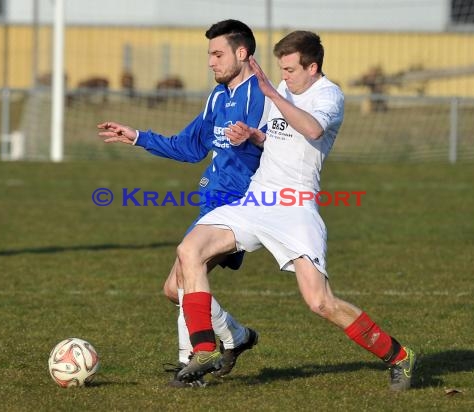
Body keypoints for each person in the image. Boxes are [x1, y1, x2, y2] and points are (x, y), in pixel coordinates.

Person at [175, 30, 417, 391]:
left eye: (290, 70)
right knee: (188, 250)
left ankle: (399, 356)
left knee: (320, 302)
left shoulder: (328, 94)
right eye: (281, 70)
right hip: (257, 200)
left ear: (312, 66)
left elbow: (312, 128)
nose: (284, 76)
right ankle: (206, 349)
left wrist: (272, 92)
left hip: (295, 206)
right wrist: (252, 136)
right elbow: (278, 136)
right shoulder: (284, 90)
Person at [97, 19, 268, 387]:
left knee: (190, 269)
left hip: (242, 206)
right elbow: (189, 147)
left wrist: (257, 138)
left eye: (218, 53)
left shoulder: (264, 96)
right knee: (174, 288)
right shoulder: (218, 98)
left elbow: (286, 145)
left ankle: (190, 364)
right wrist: (137, 136)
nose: (211, 62)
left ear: (242, 53)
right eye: (209, 54)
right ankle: (236, 337)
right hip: (213, 203)